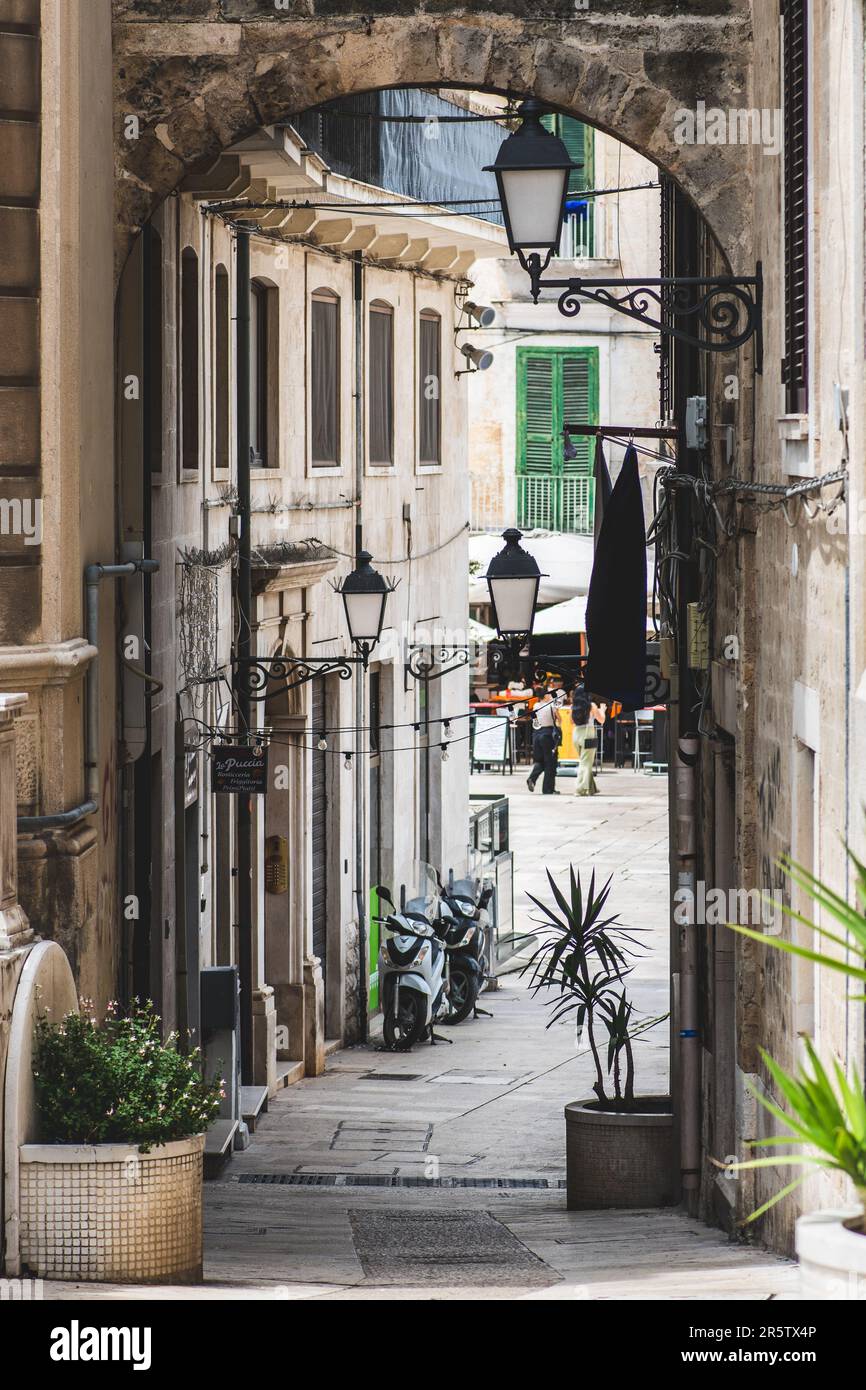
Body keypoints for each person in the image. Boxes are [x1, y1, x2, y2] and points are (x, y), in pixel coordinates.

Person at [571, 682, 607, 796]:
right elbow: (601, 720)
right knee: (586, 763)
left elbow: (570, 721)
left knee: (584, 761)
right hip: (588, 733)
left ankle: (591, 788)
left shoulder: (574, 706)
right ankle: (580, 788)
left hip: (576, 734)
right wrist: (603, 710)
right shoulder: (591, 705)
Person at [526, 688, 560, 795]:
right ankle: (548, 789)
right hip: (547, 734)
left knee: (540, 761)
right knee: (550, 763)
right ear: (545, 696)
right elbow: (559, 719)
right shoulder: (551, 706)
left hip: (536, 735)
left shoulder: (535, 706)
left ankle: (532, 778)